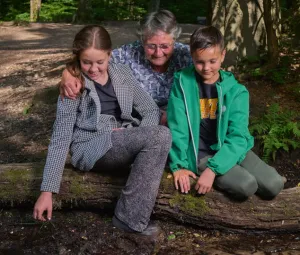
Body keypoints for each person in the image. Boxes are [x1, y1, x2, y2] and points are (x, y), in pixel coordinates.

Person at [33, 25, 172, 236]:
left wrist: (134, 137)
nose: (94, 68)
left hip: (124, 138)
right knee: (161, 136)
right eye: (86, 62)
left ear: (110, 54)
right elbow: (61, 138)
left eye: (100, 62)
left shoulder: (121, 72)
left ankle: (132, 207)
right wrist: (47, 191)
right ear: (78, 58)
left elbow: (150, 109)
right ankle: (129, 220)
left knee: (161, 135)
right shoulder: (73, 85)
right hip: (91, 146)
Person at [167, 26, 284, 200]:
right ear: (192, 56)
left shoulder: (237, 91)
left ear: (222, 55)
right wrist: (179, 166)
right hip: (200, 153)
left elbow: (238, 136)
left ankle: (245, 170)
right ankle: (233, 173)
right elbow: (178, 128)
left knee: (274, 184)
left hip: (228, 147)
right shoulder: (182, 84)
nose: (206, 68)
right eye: (199, 62)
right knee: (246, 185)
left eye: (212, 61)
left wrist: (214, 169)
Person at [60, 10, 193, 124]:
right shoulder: (128, 53)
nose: (158, 53)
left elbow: (211, 69)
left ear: (174, 41)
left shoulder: (186, 55)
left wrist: (173, 113)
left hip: (179, 118)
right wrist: (69, 73)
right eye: (151, 46)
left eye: (165, 46)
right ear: (142, 41)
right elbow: (95, 59)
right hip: (136, 120)